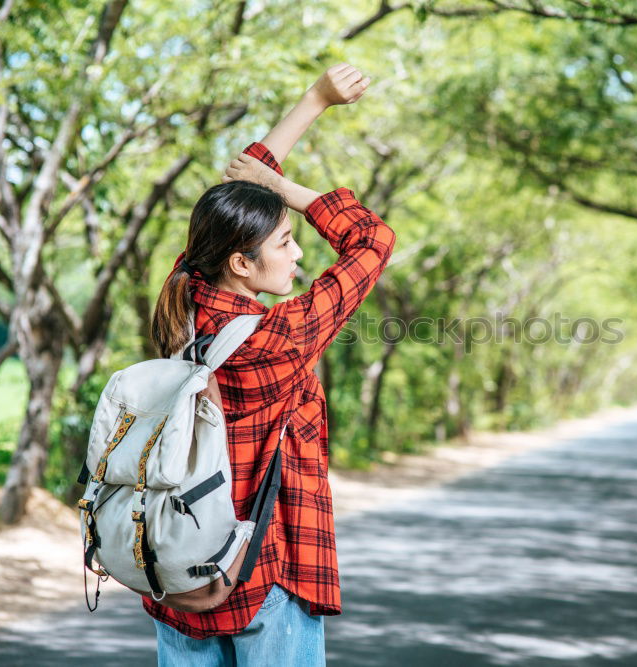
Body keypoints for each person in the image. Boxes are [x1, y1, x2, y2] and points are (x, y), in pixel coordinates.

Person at [147, 63, 396, 666]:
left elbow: (228, 202)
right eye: (285, 241)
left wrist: (315, 99)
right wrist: (289, 192)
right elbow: (373, 241)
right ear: (239, 261)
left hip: (183, 570)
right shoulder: (281, 337)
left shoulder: (182, 300)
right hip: (269, 569)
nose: (299, 251)